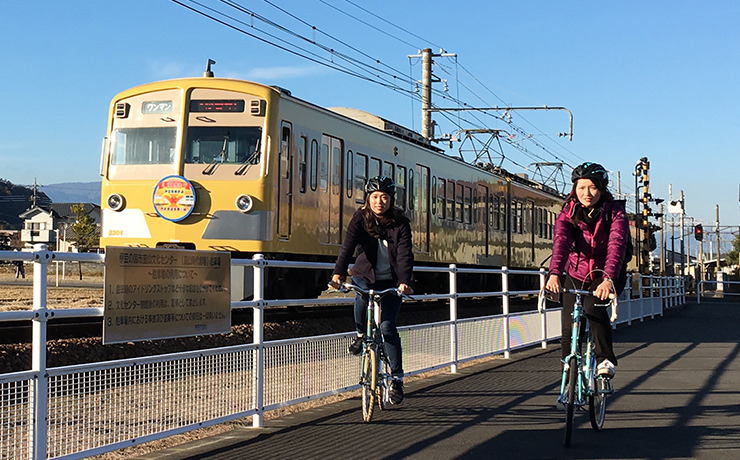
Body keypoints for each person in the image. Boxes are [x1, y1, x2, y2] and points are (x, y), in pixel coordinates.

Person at [329, 176, 414, 405]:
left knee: (387, 327)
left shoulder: (400, 224)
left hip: (391, 281)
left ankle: (396, 379)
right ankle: (360, 336)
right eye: (375, 197)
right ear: (368, 199)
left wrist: (404, 281)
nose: (379, 202)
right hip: (365, 275)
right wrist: (338, 273)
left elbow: (405, 254)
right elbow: (347, 246)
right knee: (360, 296)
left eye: (384, 197)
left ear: (391, 200)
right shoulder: (360, 218)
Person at [545, 162, 629, 379]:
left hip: (606, 274)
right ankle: (568, 374)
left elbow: (616, 246)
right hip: (575, 272)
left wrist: (608, 278)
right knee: (569, 325)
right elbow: (561, 242)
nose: (586, 193)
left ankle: (605, 360)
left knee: (592, 307)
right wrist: (555, 274)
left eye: (592, 187)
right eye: (581, 188)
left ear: (602, 188)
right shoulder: (568, 212)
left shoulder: (616, 213)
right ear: (574, 189)